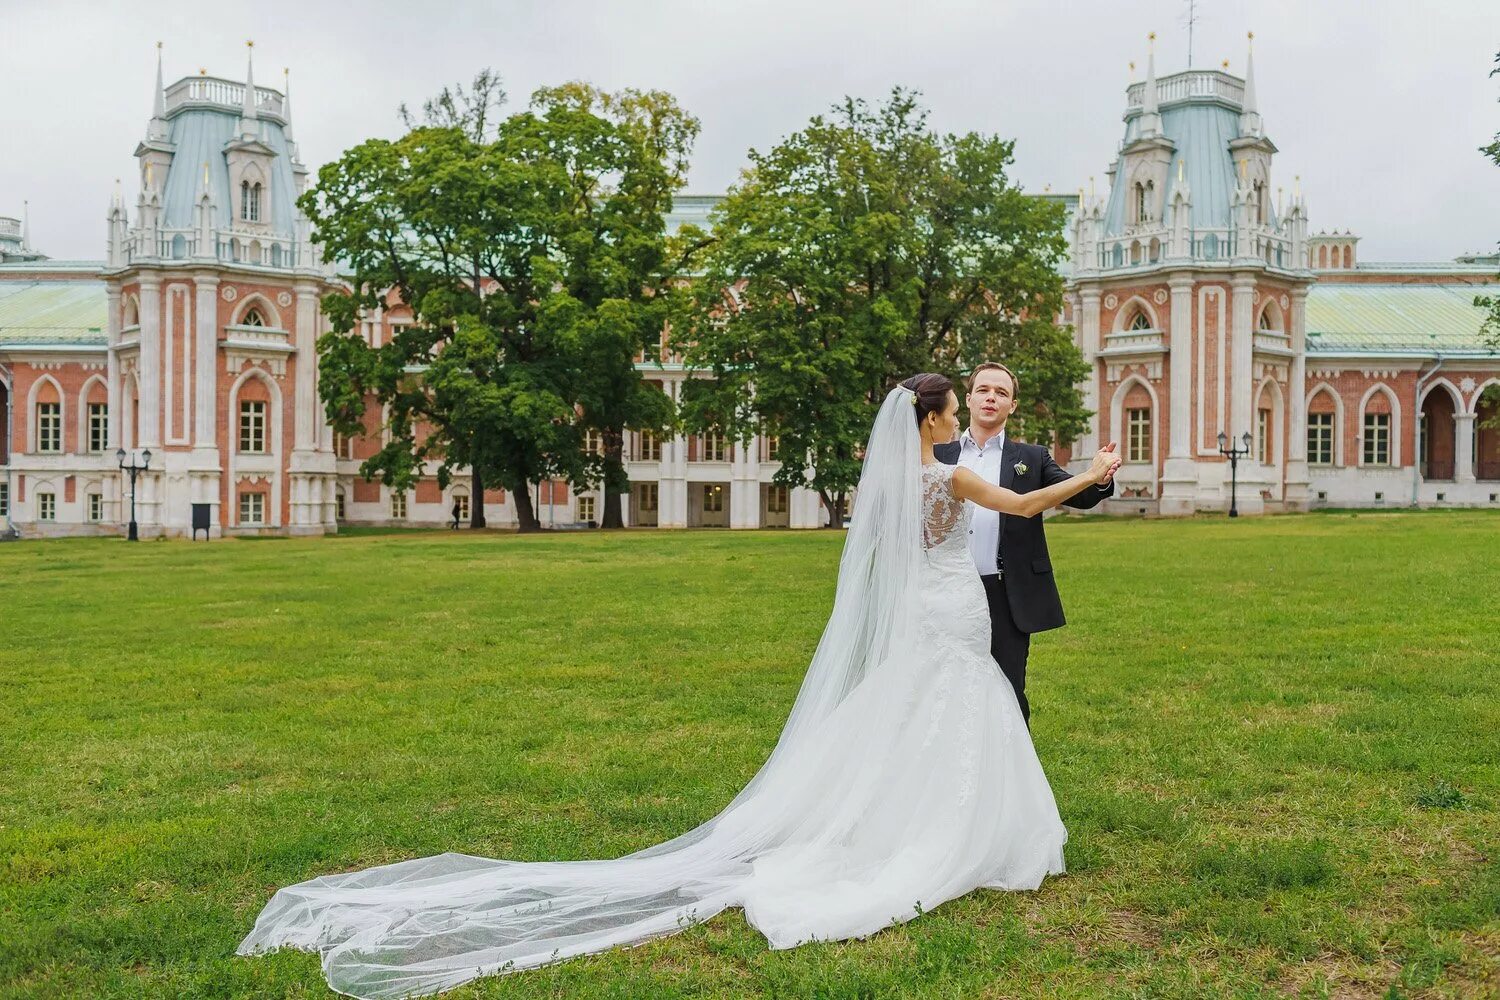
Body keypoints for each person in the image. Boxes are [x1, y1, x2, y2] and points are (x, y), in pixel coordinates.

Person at [238, 374, 1121, 1000]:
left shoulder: (902, 479)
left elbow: (895, 552)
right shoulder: (952, 471)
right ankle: (946, 831)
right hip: (955, 608)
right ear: (934, 417)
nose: (962, 410)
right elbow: (1020, 508)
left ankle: (917, 813)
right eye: (953, 404)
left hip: (937, 608)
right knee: (961, 708)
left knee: (930, 711)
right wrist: (1091, 472)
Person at [933, 362, 1114, 725]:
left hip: (1005, 591)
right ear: (968, 399)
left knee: (1007, 689)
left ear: (1012, 406)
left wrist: (1099, 477)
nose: (991, 398)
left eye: (1002, 393)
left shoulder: (1031, 458)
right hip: (947, 590)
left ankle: (1011, 771)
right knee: (944, 686)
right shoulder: (940, 455)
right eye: (984, 390)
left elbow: (1076, 495)